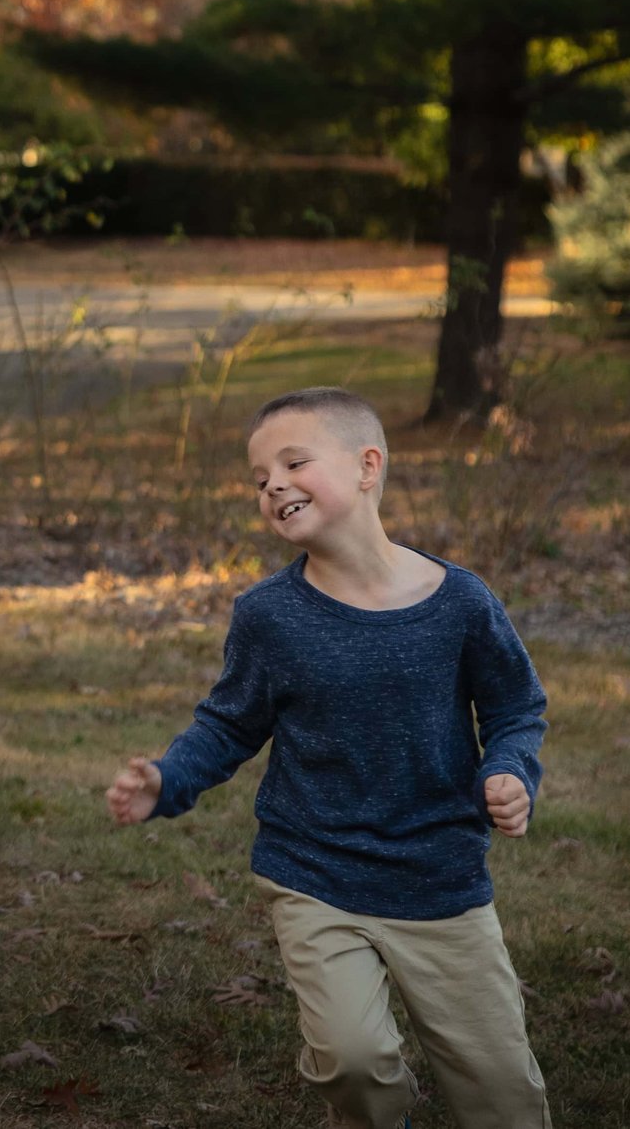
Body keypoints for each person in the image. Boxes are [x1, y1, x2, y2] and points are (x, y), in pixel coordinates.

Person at [105, 387, 551, 1129]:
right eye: (258, 478)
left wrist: (509, 770)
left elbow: (514, 708)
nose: (272, 483)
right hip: (315, 873)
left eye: (293, 461)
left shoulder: (461, 602)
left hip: (439, 877)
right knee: (352, 1057)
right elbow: (226, 725)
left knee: (500, 1090)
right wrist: (167, 778)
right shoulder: (269, 616)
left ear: (368, 465)